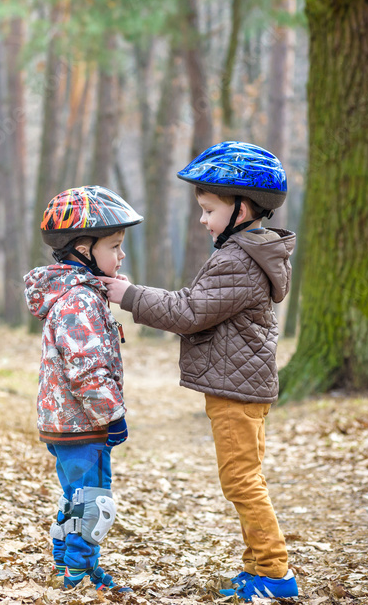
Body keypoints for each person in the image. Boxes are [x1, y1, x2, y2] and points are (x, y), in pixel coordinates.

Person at [105, 141, 299, 602]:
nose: (202, 219)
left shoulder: (238, 259)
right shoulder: (246, 252)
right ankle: (257, 568)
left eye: (209, 209)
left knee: (241, 481)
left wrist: (128, 295)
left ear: (241, 209)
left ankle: (275, 573)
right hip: (243, 387)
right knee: (244, 478)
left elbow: (189, 311)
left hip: (237, 393)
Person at [23, 185, 143, 592]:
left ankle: (67, 566)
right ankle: (80, 575)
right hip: (85, 422)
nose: (121, 256)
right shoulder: (79, 300)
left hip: (67, 421)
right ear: (83, 249)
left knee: (75, 498)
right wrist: (112, 415)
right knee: (95, 503)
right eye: (114, 246)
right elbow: (87, 369)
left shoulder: (75, 294)